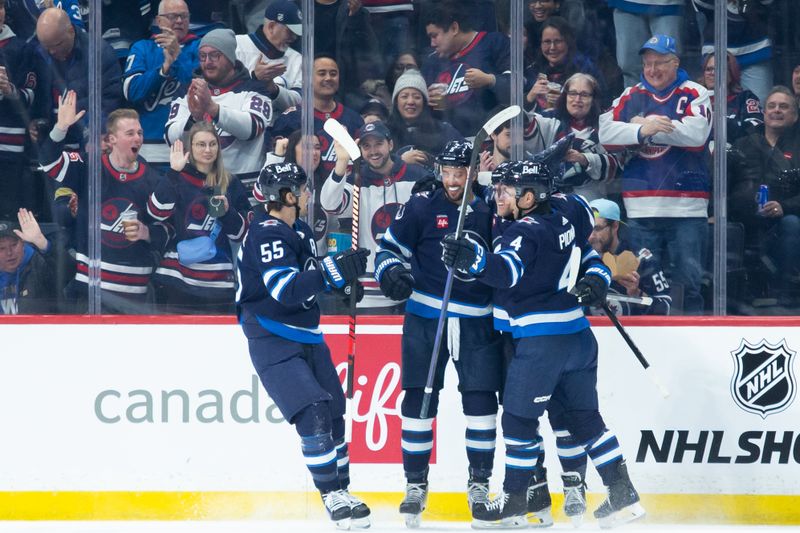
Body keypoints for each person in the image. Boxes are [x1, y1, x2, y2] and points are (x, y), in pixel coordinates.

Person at [439, 161, 645, 529]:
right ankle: (622, 492)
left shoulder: (526, 232)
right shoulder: (570, 210)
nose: (497, 194)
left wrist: (474, 262)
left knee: (518, 421)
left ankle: (515, 501)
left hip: (540, 342)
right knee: (584, 420)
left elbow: (507, 272)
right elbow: (587, 244)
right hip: (578, 339)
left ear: (530, 197)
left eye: (506, 190)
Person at [235, 161, 372, 529]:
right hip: (272, 336)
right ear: (288, 196)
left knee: (335, 415)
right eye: (303, 189)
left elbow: (309, 279)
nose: (309, 194)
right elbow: (284, 290)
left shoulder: (300, 229)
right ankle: (332, 497)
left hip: (308, 334)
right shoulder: (267, 233)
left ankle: (343, 489)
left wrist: (342, 279)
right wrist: (332, 272)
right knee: (312, 413)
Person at [373, 141, 502, 527]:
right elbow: (388, 249)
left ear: (474, 170)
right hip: (426, 319)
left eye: (460, 172)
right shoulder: (422, 206)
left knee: (480, 404)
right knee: (417, 402)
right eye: (446, 172)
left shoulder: (492, 207)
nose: (452, 180)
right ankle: (415, 484)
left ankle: (479, 484)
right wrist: (391, 273)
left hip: (478, 321)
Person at [599, 34, 712, 314]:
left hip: (687, 209)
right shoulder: (631, 95)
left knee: (689, 286)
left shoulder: (695, 92)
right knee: (642, 284)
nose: (652, 70)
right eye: (647, 63)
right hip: (640, 212)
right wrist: (641, 130)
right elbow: (605, 133)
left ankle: (694, 349)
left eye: (660, 62)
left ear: (675, 63)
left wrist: (643, 123)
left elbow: (696, 135)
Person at [38, 92, 171, 313]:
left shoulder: (153, 179)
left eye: (140, 132)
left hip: (134, 297)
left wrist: (146, 232)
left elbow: (167, 229)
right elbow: (48, 163)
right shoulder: (88, 167)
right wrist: (60, 128)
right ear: (111, 140)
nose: (138, 138)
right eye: (130, 133)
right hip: (90, 293)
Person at [321, 120, 433, 311]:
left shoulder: (418, 177)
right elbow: (329, 204)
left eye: (378, 144)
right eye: (366, 146)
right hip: (371, 291)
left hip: (415, 284)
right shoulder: (356, 181)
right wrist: (341, 161)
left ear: (390, 144)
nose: (373, 151)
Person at [147, 122, 250, 313]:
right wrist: (173, 173)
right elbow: (156, 212)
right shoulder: (178, 177)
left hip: (218, 283)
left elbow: (242, 235)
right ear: (190, 148)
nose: (208, 149)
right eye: (201, 144)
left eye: (212, 144)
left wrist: (228, 214)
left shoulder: (230, 183)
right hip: (177, 278)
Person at [165, 28, 272, 207]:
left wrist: (212, 109)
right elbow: (171, 137)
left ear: (230, 57)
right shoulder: (186, 91)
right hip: (199, 191)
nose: (208, 62)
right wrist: (194, 118)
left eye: (215, 55)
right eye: (203, 56)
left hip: (247, 193)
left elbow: (252, 128)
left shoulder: (254, 89)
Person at [730, 86, 800, 306]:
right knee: (726, 229)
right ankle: (737, 295)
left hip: (785, 220)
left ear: (795, 115)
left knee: (791, 224)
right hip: (746, 220)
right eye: (771, 106)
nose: (776, 110)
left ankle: (784, 293)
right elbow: (725, 185)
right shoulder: (743, 144)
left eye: (783, 106)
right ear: (764, 113)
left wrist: (784, 207)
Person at [124, 0, 201, 167]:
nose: (180, 21)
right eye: (173, 16)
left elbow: (199, 90)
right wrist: (164, 69)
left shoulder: (200, 48)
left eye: (184, 16)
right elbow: (132, 92)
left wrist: (177, 57)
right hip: (148, 149)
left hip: (191, 147)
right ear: (159, 21)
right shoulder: (142, 48)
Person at [32, 7, 123, 148]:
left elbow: (109, 99)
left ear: (71, 31)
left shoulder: (99, 53)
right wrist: (34, 121)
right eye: (46, 46)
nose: (52, 51)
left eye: (57, 44)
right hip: (50, 141)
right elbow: (34, 94)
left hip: (86, 140)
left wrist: (97, 132)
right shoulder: (38, 54)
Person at [527, 72, 622, 201]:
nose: (577, 99)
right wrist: (530, 97)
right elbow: (524, 125)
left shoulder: (606, 125)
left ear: (594, 99)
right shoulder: (550, 120)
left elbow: (617, 167)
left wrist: (584, 159)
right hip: (552, 201)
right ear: (565, 96)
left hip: (592, 202)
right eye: (572, 93)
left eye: (584, 95)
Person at [420, 1, 511, 137]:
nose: (432, 44)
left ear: (454, 28)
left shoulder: (494, 43)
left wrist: (490, 80)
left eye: (435, 36)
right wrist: (426, 100)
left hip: (491, 140)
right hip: (449, 144)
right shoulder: (432, 62)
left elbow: (520, 85)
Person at [271, 55, 364, 175]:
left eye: (333, 73)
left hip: (345, 190)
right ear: (307, 79)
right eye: (322, 73)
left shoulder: (354, 119)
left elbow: (361, 164)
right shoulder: (291, 119)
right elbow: (279, 165)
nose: (328, 78)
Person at [588, 198, 672, 315]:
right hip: (591, 330)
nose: (591, 236)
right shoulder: (581, 257)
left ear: (615, 226)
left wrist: (636, 294)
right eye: (588, 228)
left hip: (632, 331)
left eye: (597, 229)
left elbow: (665, 308)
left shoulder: (642, 258)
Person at [0, 0, 37, 220]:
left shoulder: (21, 48)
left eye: (1, 7)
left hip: (8, 151)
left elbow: (32, 95)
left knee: (7, 217)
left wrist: (9, 90)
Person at [387, 68, 464, 169]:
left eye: (417, 97)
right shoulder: (384, 133)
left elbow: (464, 158)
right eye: (404, 96)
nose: (410, 101)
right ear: (396, 102)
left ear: (424, 102)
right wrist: (399, 162)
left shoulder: (443, 130)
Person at [523, 17, 603, 112]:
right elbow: (518, 111)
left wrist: (567, 101)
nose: (552, 47)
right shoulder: (532, 69)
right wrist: (530, 96)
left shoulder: (586, 69)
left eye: (558, 41)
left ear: (568, 42)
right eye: (547, 42)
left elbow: (601, 104)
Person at [235, 0, 303, 112]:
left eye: (296, 33)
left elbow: (300, 102)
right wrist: (255, 79)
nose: (294, 37)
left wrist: (273, 88)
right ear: (271, 26)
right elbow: (223, 92)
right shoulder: (237, 45)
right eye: (290, 31)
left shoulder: (297, 59)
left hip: (280, 127)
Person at [606, 0, 683, 89]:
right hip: (626, 4)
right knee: (629, 66)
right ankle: (634, 101)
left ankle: (670, 102)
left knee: (668, 65)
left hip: (669, 5)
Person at [0, 209, 59, 314]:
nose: (9, 253)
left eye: (14, 245)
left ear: (23, 243)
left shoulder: (39, 264)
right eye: (1, 248)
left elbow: (69, 272)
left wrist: (42, 242)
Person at [698, 52, 762, 147]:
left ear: (731, 74)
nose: (712, 73)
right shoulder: (695, 99)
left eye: (718, 69)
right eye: (708, 69)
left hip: (735, 156)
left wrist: (721, 122)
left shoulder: (745, 98)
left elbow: (756, 128)